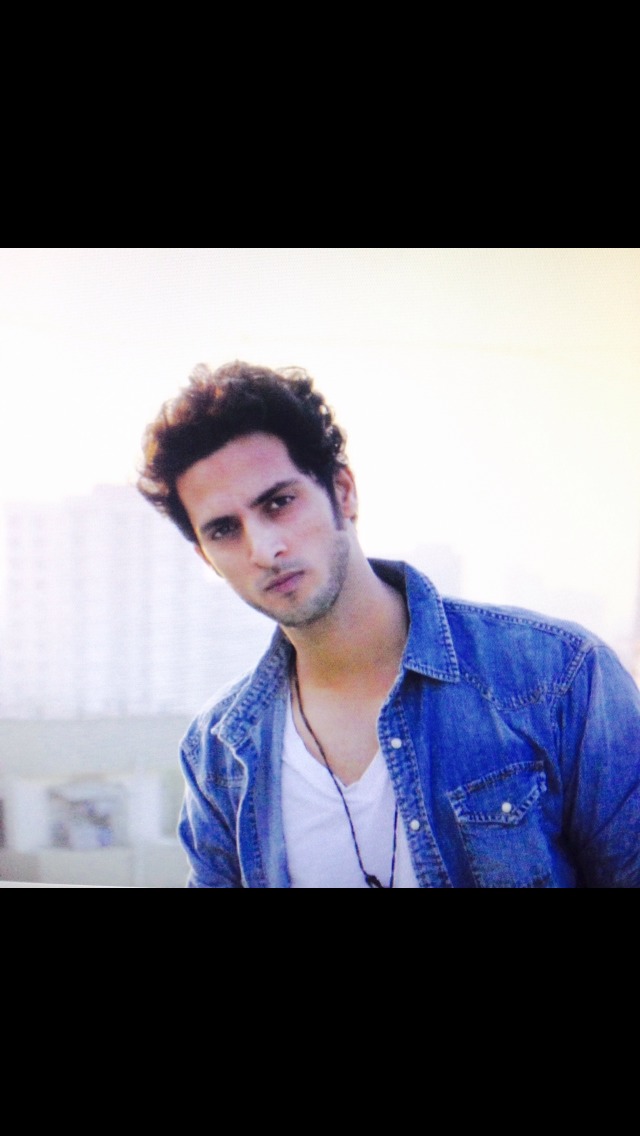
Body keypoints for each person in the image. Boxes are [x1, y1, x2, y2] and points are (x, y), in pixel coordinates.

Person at [137, 360, 640, 888]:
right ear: (206, 558)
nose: (263, 549)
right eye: (223, 531)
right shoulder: (217, 754)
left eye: (279, 503)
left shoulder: (556, 676)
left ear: (343, 492)